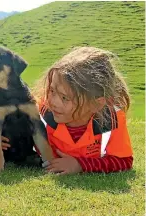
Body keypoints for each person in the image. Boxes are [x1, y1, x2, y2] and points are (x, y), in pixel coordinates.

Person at [35, 46, 133, 174]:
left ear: (96, 104)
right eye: (52, 90)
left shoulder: (111, 118)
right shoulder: (42, 111)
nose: (53, 102)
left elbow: (124, 161)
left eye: (65, 98)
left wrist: (80, 165)